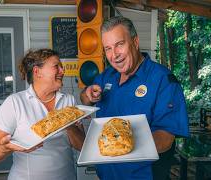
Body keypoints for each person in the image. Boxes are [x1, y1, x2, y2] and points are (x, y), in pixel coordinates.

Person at [80, 16, 189, 180]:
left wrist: (121, 143)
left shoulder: (163, 80)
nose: (114, 55)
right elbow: (84, 98)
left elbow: (166, 139)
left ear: (135, 42)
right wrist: (88, 94)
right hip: (105, 175)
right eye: (108, 48)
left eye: (119, 45)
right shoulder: (107, 76)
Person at [0, 49, 85, 180]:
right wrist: (5, 148)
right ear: (37, 72)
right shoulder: (15, 102)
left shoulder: (69, 100)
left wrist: (68, 124)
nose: (62, 71)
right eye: (56, 66)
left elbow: (82, 146)